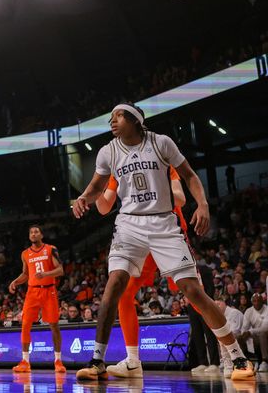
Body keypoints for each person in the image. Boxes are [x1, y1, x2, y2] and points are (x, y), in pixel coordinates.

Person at [72, 102, 254, 380]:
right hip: (129, 225)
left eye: (118, 116)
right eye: (110, 117)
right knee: (115, 285)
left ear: (135, 120)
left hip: (164, 223)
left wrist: (202, 204)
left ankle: (239, 359)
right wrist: (84, 197)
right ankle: (98, 360)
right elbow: (98, 185)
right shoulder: (108, 151)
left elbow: (190, 175)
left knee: (193, 291)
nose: (112, 121)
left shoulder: (161, 143)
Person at [94, 164, 187, 377]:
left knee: (191, 293)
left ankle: (231, 354)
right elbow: (104, 206)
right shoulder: (117, 167)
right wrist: (94, 189)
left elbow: (179, 198)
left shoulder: (159, 159)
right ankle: (133, 361)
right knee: (124, 294)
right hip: (137, 236)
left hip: (166, 230)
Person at [8, 224, 66, 373]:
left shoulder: (50, 249)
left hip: (49, 291)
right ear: (29, 236)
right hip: (32, 292)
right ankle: (25, 362)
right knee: (25, 324)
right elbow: (26, 274)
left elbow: (60, 270)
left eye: (36, 232)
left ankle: (58, 360)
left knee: (53, 325)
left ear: (41, 235)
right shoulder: (25, 254)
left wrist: (46, 274)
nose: (33, 234)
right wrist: (15, 281)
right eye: (31, 232)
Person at [216, 298, 244, 378]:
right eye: (215, 305)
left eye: (219, 304)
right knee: (221, 338)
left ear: (224, 303)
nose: (217, 307)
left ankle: (235, 362)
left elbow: (235, 331)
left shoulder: (234, 313)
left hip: (241, 337)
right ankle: (226, 362)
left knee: (225, 338)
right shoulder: (220, 316)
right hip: (229, 339)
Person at [240, 293, 268, 372]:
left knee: (262, 334)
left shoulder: (267, 310)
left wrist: (250, 332)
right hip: (255, 335)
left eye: (258, 301)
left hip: (266, 334)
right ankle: (245, 361)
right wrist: (244, 333)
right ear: (252, 302)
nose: (257, 303)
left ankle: (264, 361)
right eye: (254, 301)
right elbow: (244, 328)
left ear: (263, 301)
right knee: (240, 337)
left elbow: (265, 328)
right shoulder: (249, 311)